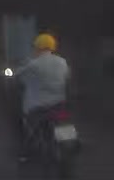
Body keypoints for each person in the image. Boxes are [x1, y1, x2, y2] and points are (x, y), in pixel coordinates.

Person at [11, 32, 70, 162]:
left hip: (36, 107)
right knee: (65, 123)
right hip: (59, 104)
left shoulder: (33, 64)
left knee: (28, 127)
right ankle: (70, 144)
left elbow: (18, 76)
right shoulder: (62, 62)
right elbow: (66, 78)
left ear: (37, 47)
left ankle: (25, 154)